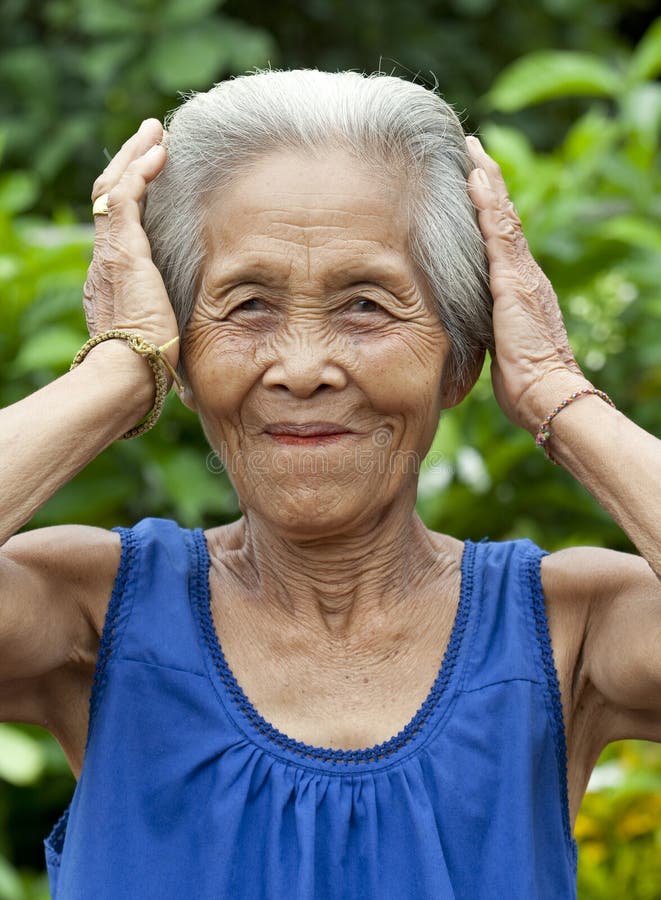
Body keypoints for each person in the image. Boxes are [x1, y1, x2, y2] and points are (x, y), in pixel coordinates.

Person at [0, 69, 659, 900]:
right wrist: (115, 372)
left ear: (458, 360)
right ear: (185, 359)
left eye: (364, 306)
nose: (303, 368)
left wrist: (557, 391)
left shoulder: (568, 636)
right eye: (245, 307)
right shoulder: (90, 619)